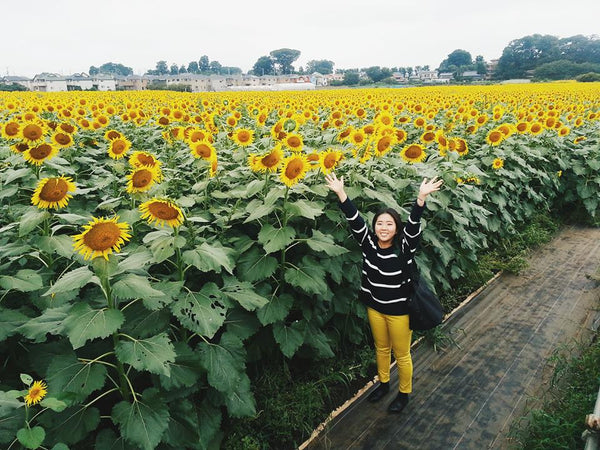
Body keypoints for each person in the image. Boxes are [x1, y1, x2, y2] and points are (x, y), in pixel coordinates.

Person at [324, 172, 443, 413]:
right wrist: (341, 193)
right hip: (375, 307)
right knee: (381, 348)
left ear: (396, 228)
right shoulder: (368, 245)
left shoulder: (404, 248)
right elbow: (355, 220)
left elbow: (413, 227)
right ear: (375, 227)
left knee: (402, 355)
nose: (384, 227)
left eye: (389, 224)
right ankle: (384, 383)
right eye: (380, 223)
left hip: (399, 311)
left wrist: (420, 199)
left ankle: (404, 393)